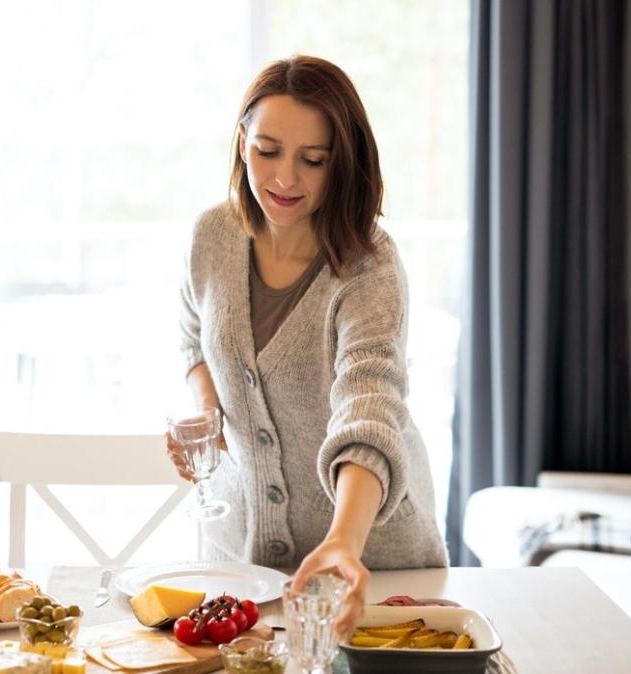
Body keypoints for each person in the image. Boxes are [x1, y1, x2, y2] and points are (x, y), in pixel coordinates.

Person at [170, 55, 447, 635]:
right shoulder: (211, 237)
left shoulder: (370, 266)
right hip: (242, 563)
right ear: (242, 141)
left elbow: (369, 406)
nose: (285, 179)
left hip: (372, 565)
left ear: (341, 162)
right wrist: (206, 411)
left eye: (313, 160)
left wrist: (344, 542)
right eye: (267, 151)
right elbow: (192, 337)